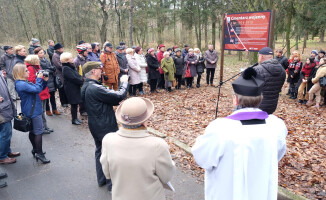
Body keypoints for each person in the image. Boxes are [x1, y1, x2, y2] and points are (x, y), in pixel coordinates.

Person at [192, 67, 288, 200]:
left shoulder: (220, 128)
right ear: (260, 99)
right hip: (262, 192)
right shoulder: (277, 126)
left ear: (235, 100)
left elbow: (202, 158)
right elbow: (277, 154)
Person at [100, 97, 176, 199]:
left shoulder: (108, 140)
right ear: (145, 121)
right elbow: (166, 176)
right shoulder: (157, 145)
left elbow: (107, 174)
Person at [81, 61, 129, 191]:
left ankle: (102, 179)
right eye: (99, 68)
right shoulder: (94, 88)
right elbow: (118, 95)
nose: (101, 70)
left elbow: (107, 99)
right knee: (110, 153)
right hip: (104, 125)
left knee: (100, 151)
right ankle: (112, 184)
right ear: (94, 71)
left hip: (95, 123)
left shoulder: (87, 86)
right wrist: (124, 82)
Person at [14, 63, 50, 164]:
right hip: (33, 110)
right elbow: (37, 89)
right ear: (21, 72)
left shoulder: (24, 82)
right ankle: (40, 153)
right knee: (38, 131)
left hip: (31, 108)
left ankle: (35, 149)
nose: (28, 71)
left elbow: (38, 89)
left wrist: (44, 81)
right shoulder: (21, 84)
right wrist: (39, 78)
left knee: (33, 130)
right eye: (26, 71)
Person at [25, 54, 53, 135]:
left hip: (43, 91)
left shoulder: (38, 67)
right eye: (37, 59)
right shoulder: (30, 68)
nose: (39, 61)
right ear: (33, 61)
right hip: (39, 93)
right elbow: (31, 81)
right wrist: (40, 77)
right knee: (40, 111)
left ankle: (45, 126)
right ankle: (42, 128)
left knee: (43, 111)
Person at [254, 47, 286, 114]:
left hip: (257, 105)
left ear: (262, 56)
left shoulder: (257, 70)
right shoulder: (282, 70)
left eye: (259, 56)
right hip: (272, 105)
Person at [0, 70, 19, 164]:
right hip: (1, 111)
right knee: (5, 133)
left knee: (7, 133)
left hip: (5, 107)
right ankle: (2, 156)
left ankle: (7, 151)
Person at [35, 47, 60, 116]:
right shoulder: (37, 61)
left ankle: (54, 109)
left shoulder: (46, 59)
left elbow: (52, 68)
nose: (42, 54)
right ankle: (47, 110)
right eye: (40, 53)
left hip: (51, 79)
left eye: (43, 52)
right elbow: (42, 71)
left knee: (52, 95)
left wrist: (50, 69)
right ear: (37, 54)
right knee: (46, 97)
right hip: (45, 80)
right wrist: (50, 69)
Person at [60, 52, 84, 125]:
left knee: (75, 103)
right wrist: (81, 81)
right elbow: (73, 78)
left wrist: (81, 79)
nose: (72, 58)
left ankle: (76, 118)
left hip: (75, 87)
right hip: (71, 89)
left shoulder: (70, 66)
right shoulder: (66, 68)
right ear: (67, 60)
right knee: (73, 104)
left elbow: (77, 75)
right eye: (71, 58)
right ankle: (74, 119)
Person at [52, 43, 68, 107]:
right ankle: (63, 102)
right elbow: (58, 65)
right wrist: (66, 67)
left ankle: (67, 101)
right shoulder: (55, 55)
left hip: (63, 73)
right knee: (61, 88)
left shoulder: (61, 54)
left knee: (65, 88)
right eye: (62, 48)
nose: (63, 49)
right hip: (59, 74)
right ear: (58, 49)